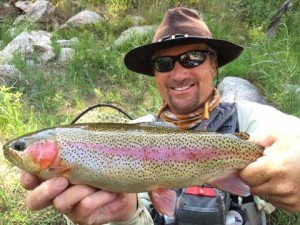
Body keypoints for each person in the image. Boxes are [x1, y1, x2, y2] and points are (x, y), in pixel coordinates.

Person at [20, 7, 300, 225]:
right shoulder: (130, 136)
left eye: (192, 59)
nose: (178, 73)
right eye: (165, 64)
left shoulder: (253, 121)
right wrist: (122, 216)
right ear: (155, 75)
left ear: (214, 65)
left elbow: (291, 135)